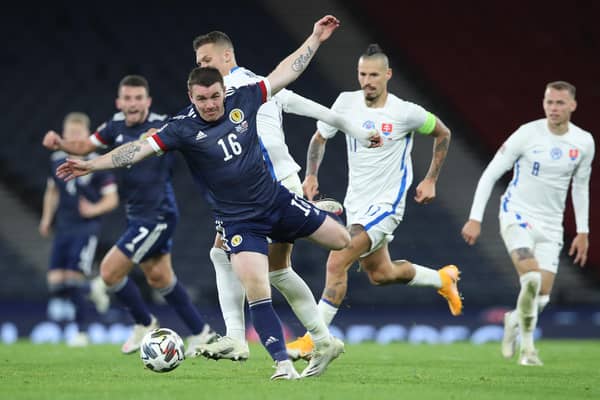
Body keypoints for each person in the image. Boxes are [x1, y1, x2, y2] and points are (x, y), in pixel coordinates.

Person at [56, 15, 356, 381]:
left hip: (276, 198)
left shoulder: (244, 95)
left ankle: (280, 334)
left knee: (341, 241)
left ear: (223, 88)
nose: (211, 104)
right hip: (240, 220)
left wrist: (315, 39)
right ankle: (280, 362)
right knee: (258, 285)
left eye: (215, 96)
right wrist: (92, 165)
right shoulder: (181, 128)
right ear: (191, 97)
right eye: (203, 98)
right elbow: (133, 151)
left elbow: (285, 72)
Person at [190, 30, 380, 362]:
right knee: (258, 265)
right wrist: (359, 132)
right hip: (272, 184)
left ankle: (242, 338)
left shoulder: (237, 90)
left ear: (226, 56)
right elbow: (316, 109)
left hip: (266, 189)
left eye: (207, 61)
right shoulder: (263, 84)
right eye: (199, 64)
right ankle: (317, 338)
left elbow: (194, 122)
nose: (203, 69)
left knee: (239, 260)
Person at [286, 44, 463, 360]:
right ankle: (442, 278)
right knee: (381, 274)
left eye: (373, 75)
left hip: (388, 205)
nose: (367, 81)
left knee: (337, 260)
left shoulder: (405, 112)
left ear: (387, 75)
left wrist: (431, 178)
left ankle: (315, 339)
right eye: (362, 74)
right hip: (357, 204)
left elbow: (443, 132)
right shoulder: (346, 103)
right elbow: (320, 137)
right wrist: (311, 175)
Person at [42, 76, 217, 356]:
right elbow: (86, 147)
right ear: (119, 102)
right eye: (128, 98)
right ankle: (201, 332)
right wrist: (60, 143)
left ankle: (144, 323)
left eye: (138, 98)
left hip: (158, 214)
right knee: (160, 279)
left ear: (147, 101)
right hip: (136, 214)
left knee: (109, 272)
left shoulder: (162, 125)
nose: (133, 104)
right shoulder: (114, 126)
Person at [461, 81, 594, 366]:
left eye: (559, 103)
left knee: (541, 298)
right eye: (549, 102)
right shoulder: (527, 134)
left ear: (572, 105)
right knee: (531, 278)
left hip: (551, 225)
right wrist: (475, 217)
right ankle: (529, 350)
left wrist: (583, 231)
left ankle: (512, 321)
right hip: (517, 214)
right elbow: (490, 174)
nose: (553, 108)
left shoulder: (584, 142)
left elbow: (580, 187)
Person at [39, 112, 119, 347]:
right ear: (64, 135)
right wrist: (46, 219)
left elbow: (111, 199)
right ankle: (95, 288)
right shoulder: (57, 160)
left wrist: (93, 210)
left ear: (87, 135)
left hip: (86, 228)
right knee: (56, 281)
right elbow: (52, 190)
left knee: (73, 278)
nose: (74, 138)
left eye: (78, 134)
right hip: (63, 227)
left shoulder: (97, 162)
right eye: (70, 133)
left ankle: (81, 332)